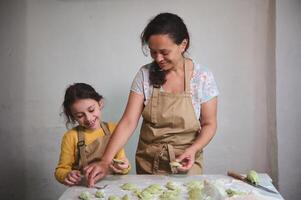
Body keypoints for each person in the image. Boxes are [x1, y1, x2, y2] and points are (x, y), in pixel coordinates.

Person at [84, 12, 219, 187]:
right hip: (149, 162)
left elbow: (209, 124)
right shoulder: (144, 74)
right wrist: (105, 160)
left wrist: (193, 150)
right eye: (153, 52)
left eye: (164, 52)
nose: (158, 59)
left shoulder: (202, 77)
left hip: (187, 162)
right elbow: (128, 122)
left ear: (183, 44)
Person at [55, 83, 130, 186]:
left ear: (100, 104)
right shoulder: (71, 136)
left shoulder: (114, 129)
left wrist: (124, 166)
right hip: (84, 187)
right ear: (73, 117)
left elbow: (122, 163)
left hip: (112, 187)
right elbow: (60, 170)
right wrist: (67, 174)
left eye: (91, 110)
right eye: (80, 116)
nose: (89, 118)